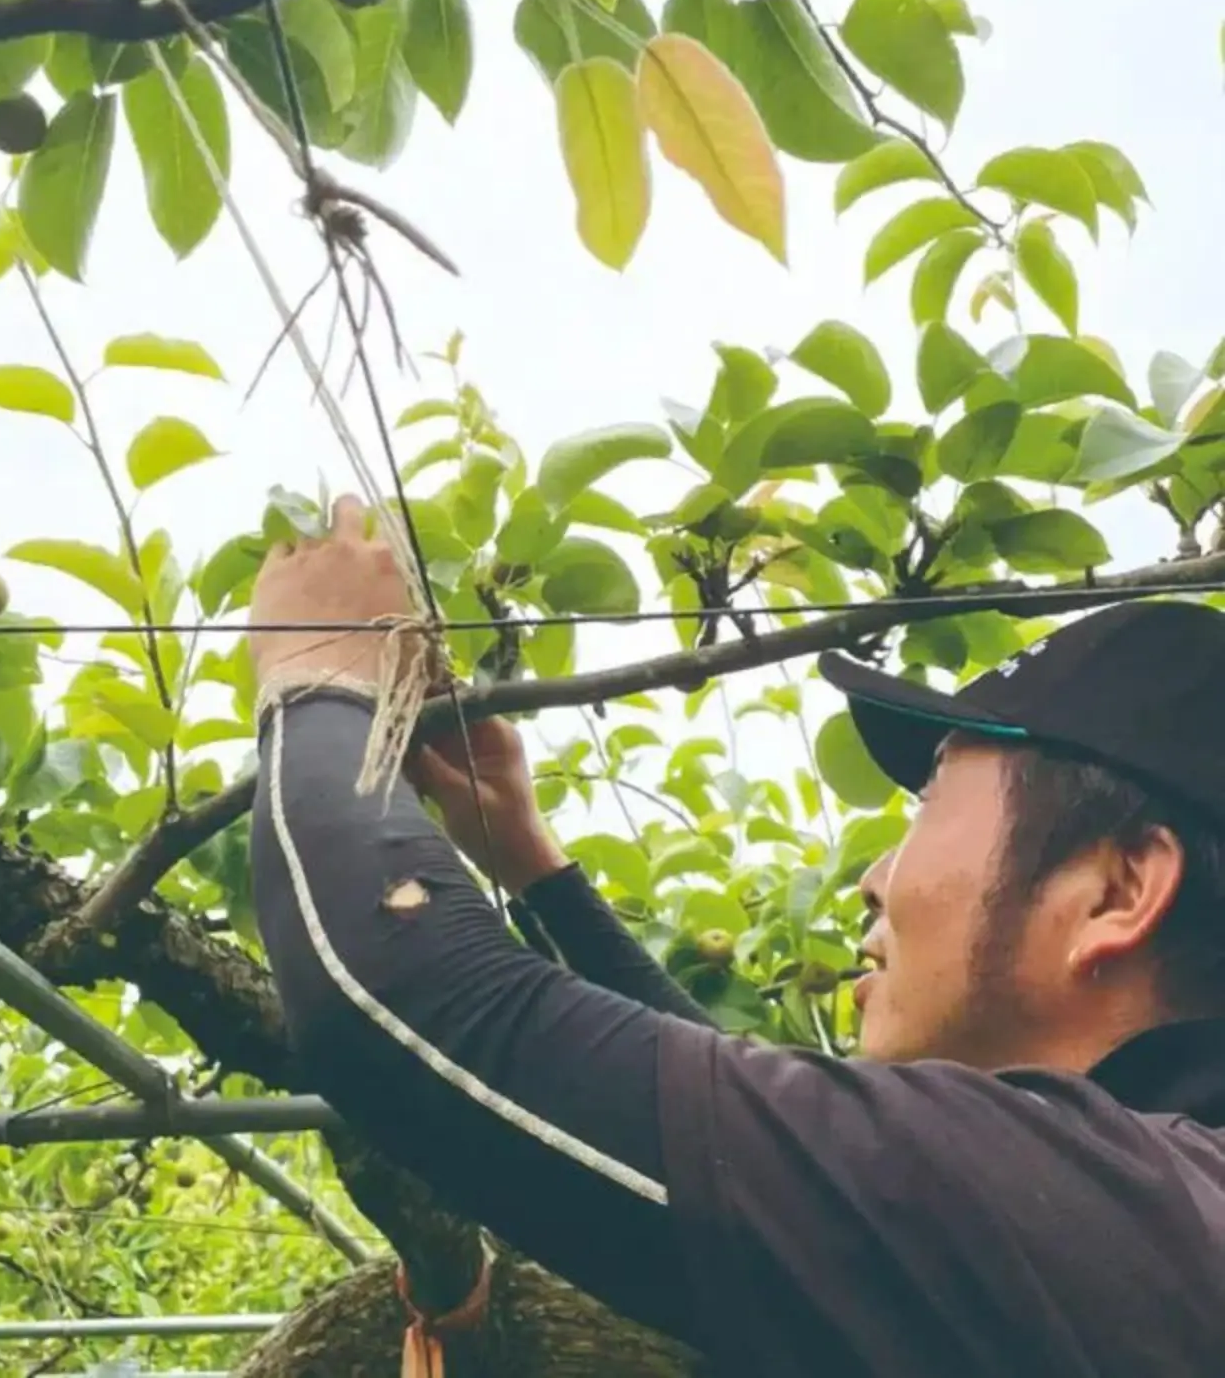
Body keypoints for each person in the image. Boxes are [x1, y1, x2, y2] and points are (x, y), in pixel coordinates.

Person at [245, 494, 1225, 1376]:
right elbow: (774, 1178)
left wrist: (321, 679)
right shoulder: (1145, 1216)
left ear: (1116, 891)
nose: (876, 879)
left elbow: (396, 1000)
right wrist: (538, 873)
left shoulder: (1117, 1214)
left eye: (927, 803)